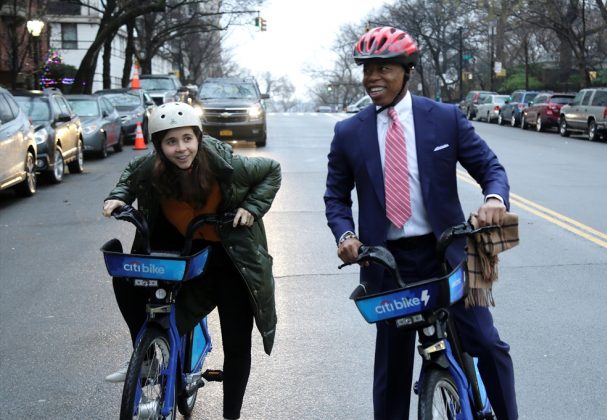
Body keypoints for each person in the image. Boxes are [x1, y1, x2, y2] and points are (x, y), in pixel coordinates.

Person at [324, 27, 518, 420]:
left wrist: (494, 199)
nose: (372, 78)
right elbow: (336, 197)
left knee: (488, 344)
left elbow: (489, 168)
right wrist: (346, 234)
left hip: (448, 255)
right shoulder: (349, 133)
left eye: (383, 68)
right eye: (366, 70)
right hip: (388, 264)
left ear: (406, 70)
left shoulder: (444, 118)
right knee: (392, 371)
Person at [102, 101, 281, 420]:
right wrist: (118, 196)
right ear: (158, 146)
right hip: (185, 254)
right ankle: (147, 357)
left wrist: (251, 208)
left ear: (198, 138)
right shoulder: (152, 166)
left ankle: (231, 415)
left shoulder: (225, 165)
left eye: (187, 139)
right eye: (171, 142)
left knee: (237, 342)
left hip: (231, 259)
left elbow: (271, 171)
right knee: (133, 286)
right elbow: (130, 175)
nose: (181, 148)